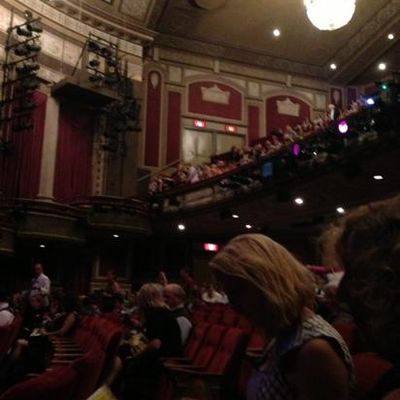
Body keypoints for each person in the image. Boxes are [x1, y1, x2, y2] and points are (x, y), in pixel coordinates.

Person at [210, 234, 353, 400]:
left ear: (266, 284)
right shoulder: (282, 332)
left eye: (236, 292)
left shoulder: (314, 350)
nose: (233, 304)